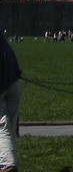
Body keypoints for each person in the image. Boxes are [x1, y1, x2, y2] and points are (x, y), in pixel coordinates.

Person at [0, 31, 22, 172]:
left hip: (2, 85)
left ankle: (8, 164)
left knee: (2, 126)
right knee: (10, 127)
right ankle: (8, 160)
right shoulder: (2, 38)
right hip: (15, 83)